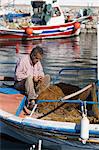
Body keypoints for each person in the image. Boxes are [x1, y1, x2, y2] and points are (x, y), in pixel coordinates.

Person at [14, 46, 50, 112]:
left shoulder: (37, 61)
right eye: (36, 58)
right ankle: (32, 101)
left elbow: (41, 71)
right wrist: (33, 77)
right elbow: (17, 76)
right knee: (29, 78)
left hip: (33, 84)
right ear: (32, 55)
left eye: (39, 59)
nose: (38, 61)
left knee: (47, 77)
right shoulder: (23, 60)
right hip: (20, 84)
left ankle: (36, 94)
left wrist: (40, 76)